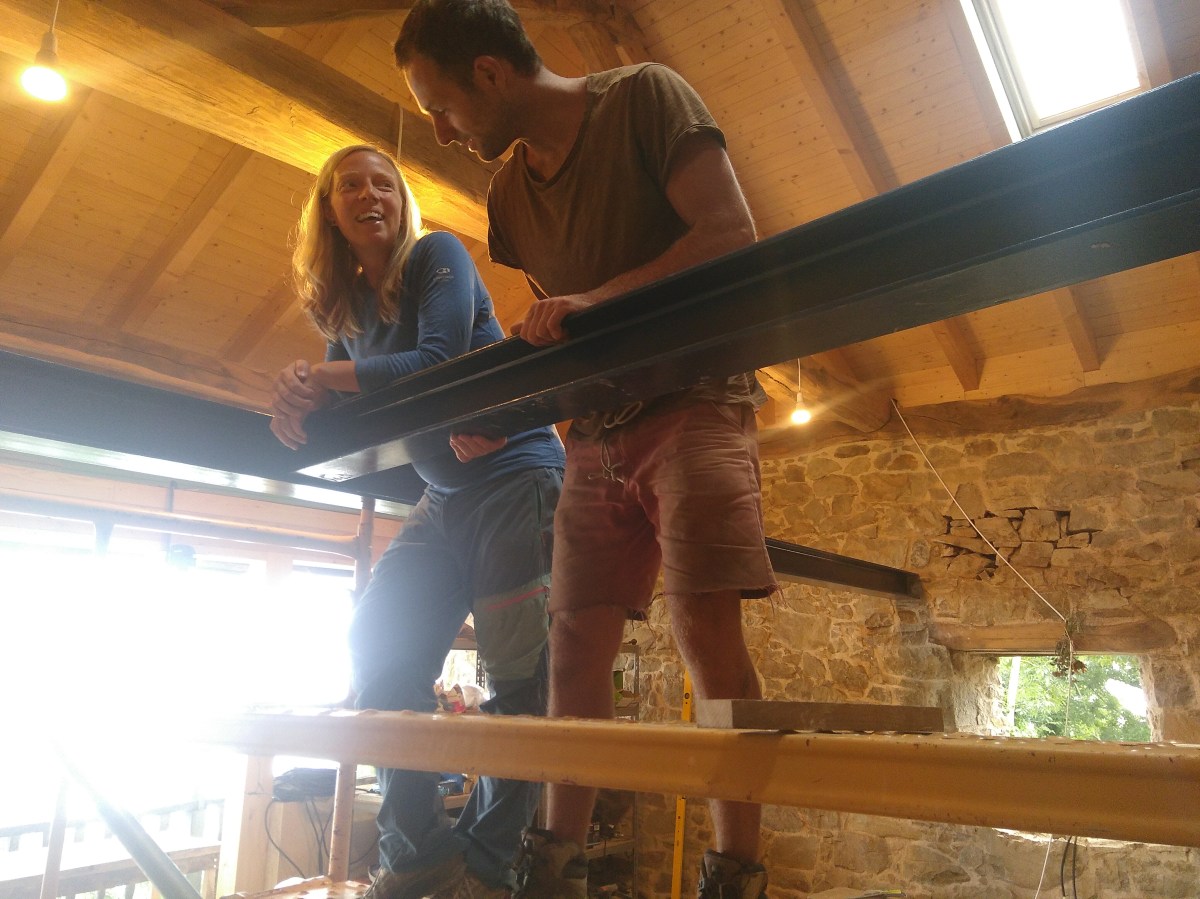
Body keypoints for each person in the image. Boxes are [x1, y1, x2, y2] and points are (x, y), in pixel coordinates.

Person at [395, 5, 777, 898]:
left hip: (697, 398)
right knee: (570, 649)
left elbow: (730, 234)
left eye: (441, 107)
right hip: (594, 431)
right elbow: (559, 334)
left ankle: (735, 872)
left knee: (705, 628)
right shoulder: (508, 198)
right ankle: (552, 865)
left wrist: (600, 301)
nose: (442, 132)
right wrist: (514, 411)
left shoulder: (644, 97)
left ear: (491, 73)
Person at [269, 144, 565, 899]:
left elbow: (435, 362)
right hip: (443, 496)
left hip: (516, 478)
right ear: (329, 209)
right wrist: (300, 399)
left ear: (401, 201)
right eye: (351, 185)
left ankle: (488, 865)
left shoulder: (438, 256)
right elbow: (350, 407)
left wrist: (317, 376)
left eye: (385, 184)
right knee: (376, 645)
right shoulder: (347, 307)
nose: (371, 195)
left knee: (516, 676)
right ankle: (418, 850)